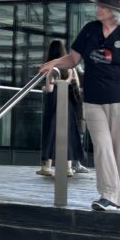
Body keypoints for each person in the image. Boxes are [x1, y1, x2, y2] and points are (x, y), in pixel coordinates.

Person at [40, 0, 120, 211]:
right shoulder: (90, 30)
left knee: (119, 150)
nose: (98, 9)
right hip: (93, 100)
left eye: (103, 6)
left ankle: (115, 196)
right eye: (98, 5)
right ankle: (108, 195)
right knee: (102, 147)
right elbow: (73, 58)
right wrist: (54, 63)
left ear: (115, 12)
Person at [36, 40, 85, 177]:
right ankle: (68, 167)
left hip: (54, 103)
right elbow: (77, 85)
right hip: (68, 103)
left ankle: (47, 166)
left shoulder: (52, 68)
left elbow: (50, 89)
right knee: (67, 133)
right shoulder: (71, 68)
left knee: (51, 133)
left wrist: (44, 89)